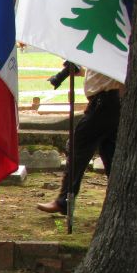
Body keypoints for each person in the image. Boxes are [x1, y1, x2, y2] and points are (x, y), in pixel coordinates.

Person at [37, 68, 124, 214]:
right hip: (111, 102)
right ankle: (121, 201)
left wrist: (61, 75)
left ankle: (64, 201)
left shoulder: (103, 47)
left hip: (102, 103)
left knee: (77, 149)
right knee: (111, 154)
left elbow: (80, 65)